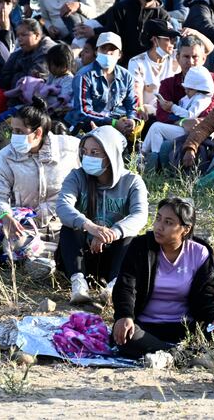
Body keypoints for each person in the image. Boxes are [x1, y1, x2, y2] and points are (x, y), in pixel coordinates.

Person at [112, 196, 214, 362]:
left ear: (185, 229)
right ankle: (182, 355)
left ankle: (170, 356)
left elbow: (208, 297)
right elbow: (126, 287)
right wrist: (125, 315)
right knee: (126, 336)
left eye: (168, 222)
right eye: (158, 219)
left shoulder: (200, 253)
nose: (159, 226)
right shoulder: (140, 247)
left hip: (187, 326)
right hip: (146, 327)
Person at [56, 125, 148, 304]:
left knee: (131, 239)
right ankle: (78, 283)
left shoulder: (132, 181)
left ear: (111, 155)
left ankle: (114, 287)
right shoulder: (76, 177)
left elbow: (140, 215)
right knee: (69, 228)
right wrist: (90, 226)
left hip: (113, 257)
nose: (88, 157)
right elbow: (62, 206)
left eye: (95, 152)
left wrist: (112, 232)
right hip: (82, 254)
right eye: (85, 151)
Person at [0, 98, 80, 252]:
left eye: (19, 132)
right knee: (15, 246)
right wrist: (5, 216)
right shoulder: (6, 157)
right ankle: (49, 256)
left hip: (66, 225)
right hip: (25, 228)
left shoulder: (70, 148)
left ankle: (54, 256)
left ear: (37, 133)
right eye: (13, 131)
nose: (13, 137)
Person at [75, 0, 171, 63]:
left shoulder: (162, 16)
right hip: (122, 62)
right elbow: (112, 34)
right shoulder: (121, 9)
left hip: (150, 64)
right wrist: (94, 32)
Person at [65, 32, 138, 138]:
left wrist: (131, 119)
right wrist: (113, 123)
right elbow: (83, 111)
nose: (108, 53)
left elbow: (132, 105)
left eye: (112, 50)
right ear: (96, 51)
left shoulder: (126, 76)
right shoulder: (84, 75)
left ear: (119, 55)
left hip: (111, 126)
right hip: (82, 127)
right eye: (104, 49)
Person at [142, 66, 214, 156]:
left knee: (157, 127)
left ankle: (155, 157)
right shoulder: (188, 97)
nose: (186, 91)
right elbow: (180, 114)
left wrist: (172, 107)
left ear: (201, 88)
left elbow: (190, 115)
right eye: (186, 88)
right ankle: (144, 154)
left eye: (190, 89)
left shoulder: (202, 99)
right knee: (155, 127)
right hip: (182, 127)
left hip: (190, 133)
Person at [155, 35, 214, 124]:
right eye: (186, 57)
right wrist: (183, 123)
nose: (191, 62)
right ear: (178, 58)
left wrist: (194, 122)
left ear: (203, 59)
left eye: (195, 57)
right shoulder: (168, 84)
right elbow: (162, 115)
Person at [127, 18, 180, 119]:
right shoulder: (137, 62)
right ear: (155, 40)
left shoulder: (176, 56)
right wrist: (140, 110)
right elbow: (136, 94)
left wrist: (195, 34)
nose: (173, 43)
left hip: (174, 112)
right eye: (169, 39)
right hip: (149, 115)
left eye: (174, 39)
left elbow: (207, 50)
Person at [1, 18, 56, 88]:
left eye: (23, 35)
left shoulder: (47, 51)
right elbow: (4, 78)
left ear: (36, 35)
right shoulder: (20, 52)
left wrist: (16, 75)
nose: (20, 39)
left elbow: (30, 82)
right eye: (18, 36)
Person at [43, 42, 75, 116]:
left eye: (53, 65)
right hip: (46, 106)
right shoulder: (53, 75)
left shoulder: (69, 79)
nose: (50, 68)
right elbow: (46, 86)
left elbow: (62, 100)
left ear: (64, 66)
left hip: (56, 111)